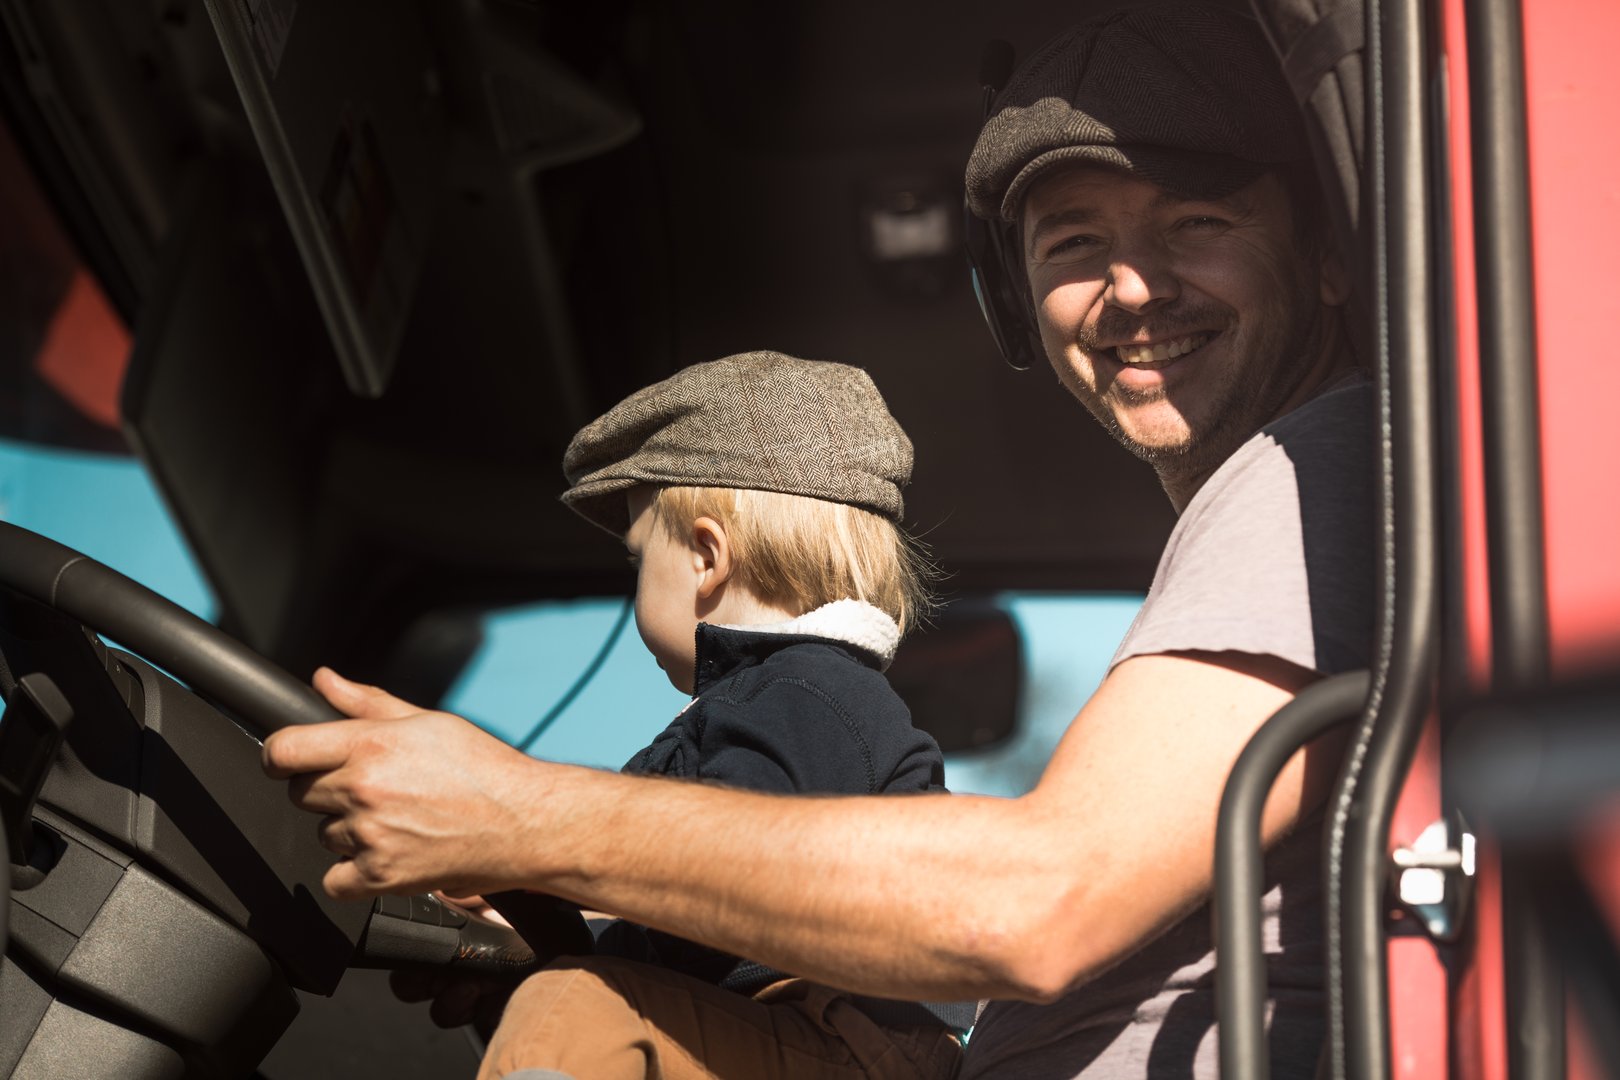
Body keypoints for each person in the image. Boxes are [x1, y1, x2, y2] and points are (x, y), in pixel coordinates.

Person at [263, 4, 1374, 1077]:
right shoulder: (1283, 499)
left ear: (1331, 260)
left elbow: (1037, 901)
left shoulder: (1306, 474)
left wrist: (517, 817)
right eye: (1075, 242)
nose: (1130, 288)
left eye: (1198, 224)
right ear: (1015, 299)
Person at [445, 350, 962, 1077]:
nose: (636, 585)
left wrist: (534, 855)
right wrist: (532, 919)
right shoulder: (804, 698)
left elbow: (726, 867)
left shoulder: (805, 693)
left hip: (835, 1044)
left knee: (569, 1009)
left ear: (706, 555)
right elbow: (697, 924)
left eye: (638, 559)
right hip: (790, 1036)